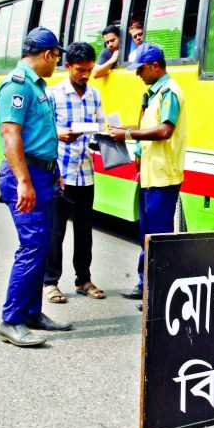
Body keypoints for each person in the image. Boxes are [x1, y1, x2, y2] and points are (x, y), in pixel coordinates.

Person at [0, 26, 74, 347]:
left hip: (42, 174)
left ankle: (31, 313)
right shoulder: (16, 86)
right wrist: (25, 181)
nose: (56, 63)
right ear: (47, 54)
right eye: (56, 56)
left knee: (41, 246)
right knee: (31, 247)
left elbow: (39, 133)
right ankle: (11, 319)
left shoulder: (36, 86)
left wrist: (52, 171)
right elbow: (10, 135)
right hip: (23, 175)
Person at [109, 44, 186, 310]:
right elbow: (146, 128)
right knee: (146, 234)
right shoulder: (152, 95)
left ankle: (159, 291)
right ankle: (145, 285)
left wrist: (128, 135)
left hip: (164, 177)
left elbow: (165, 130)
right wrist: (123, 129)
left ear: (155, 66)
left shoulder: (170, 93)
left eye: (140, 69)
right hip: (149, 176)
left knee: (159, 236)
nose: (138, 74)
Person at [43, 42, 107, 304]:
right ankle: (50, 282)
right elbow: (42, 131)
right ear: (68, 66)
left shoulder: (94, 95)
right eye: (80, 69)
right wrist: (59, 134)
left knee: (84, 231)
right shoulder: (53, 95)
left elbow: (100, 128)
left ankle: (83, 280)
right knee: (55, 231)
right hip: (60, 174)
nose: (85, 75)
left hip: (85, 173)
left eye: (89, 70)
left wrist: (99, 140)